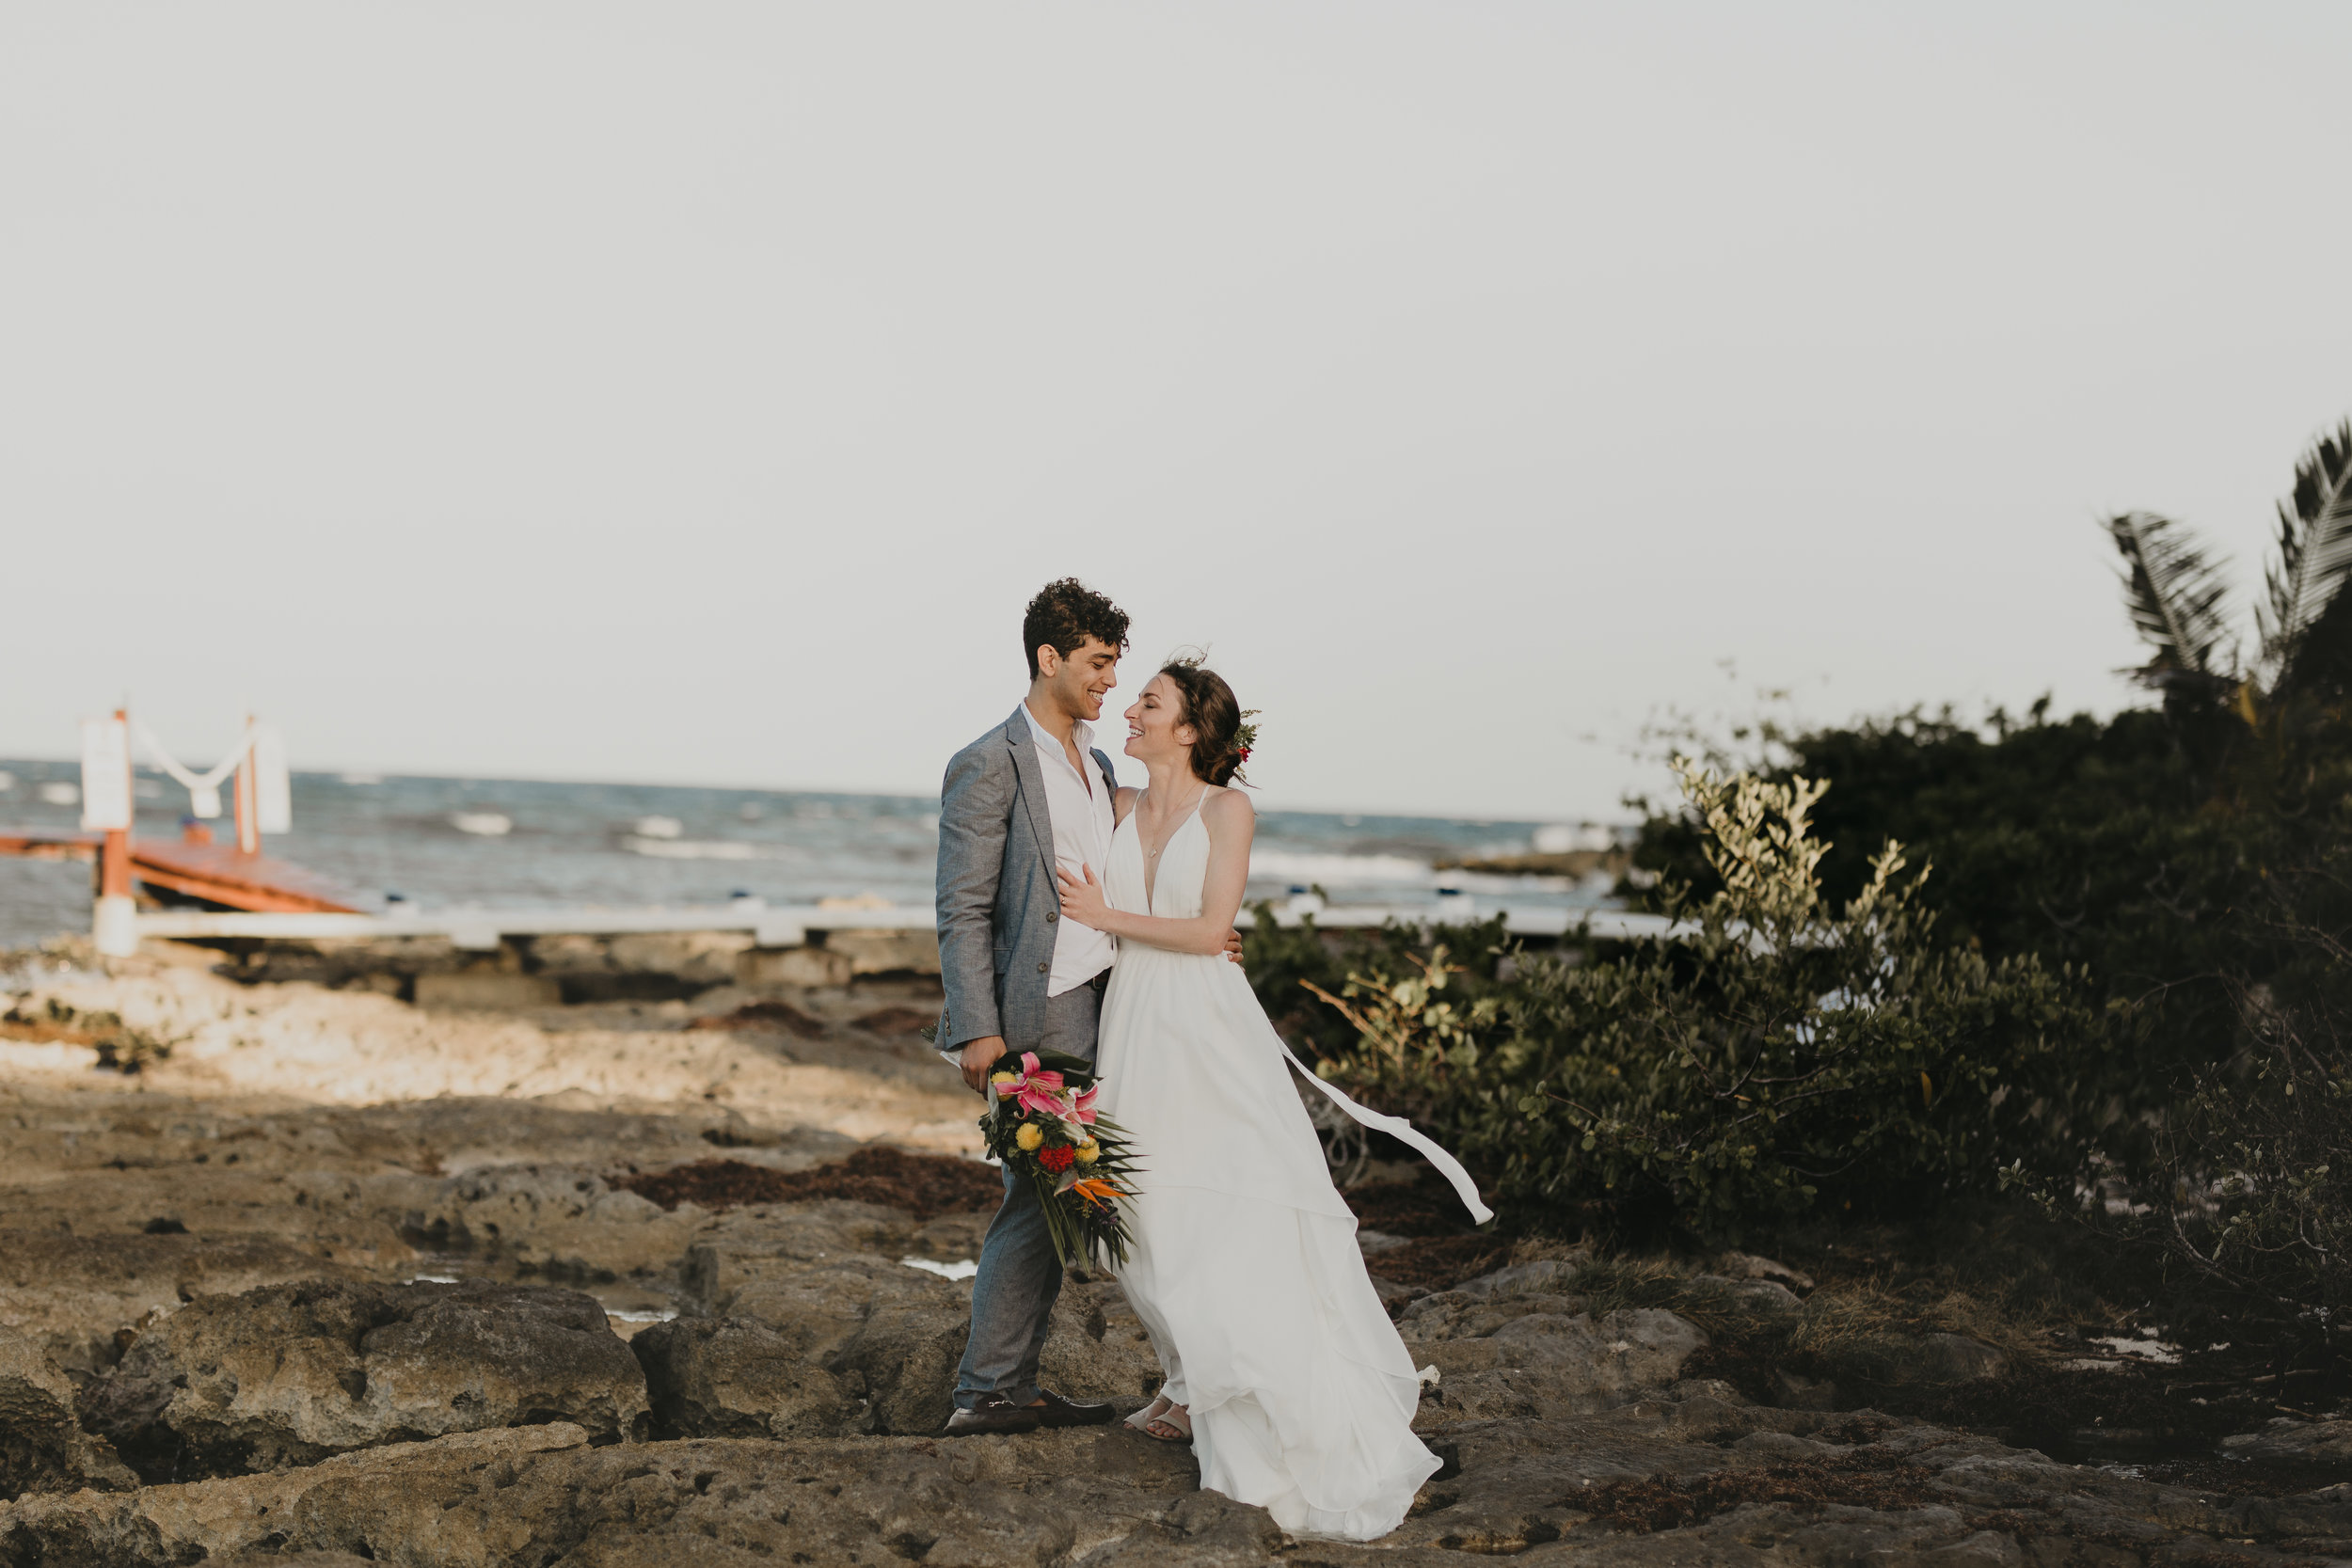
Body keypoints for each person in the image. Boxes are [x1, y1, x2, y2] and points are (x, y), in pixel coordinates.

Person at [1055, 656, 1491, 1541]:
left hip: (1206, 1026)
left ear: (1190, 729)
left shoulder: (1228, 807)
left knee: (1224, 1203)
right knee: (1137, 1212)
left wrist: (1108, 917)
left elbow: (1214, 929)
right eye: (1133, 697)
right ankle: (1186, 1378)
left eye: (1150, 701)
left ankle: (1206, 1392)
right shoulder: (1119, 802)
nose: (1131, 709)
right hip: (1132, 1020)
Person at [934, 580, 1245, 1435]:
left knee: (1073, 1200)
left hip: (1115, 1007)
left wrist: (1204, 937)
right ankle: (987, 1390)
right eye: (1100, 662)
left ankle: (1009, 1383)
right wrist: (978, 1027)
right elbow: (961, 905)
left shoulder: (1100, 766)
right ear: (1050, 658)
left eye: (1117, 664)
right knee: (1037, 1200)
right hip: (1036, 1014)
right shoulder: (989, 761)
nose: (1112, 680)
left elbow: (1154, 865)